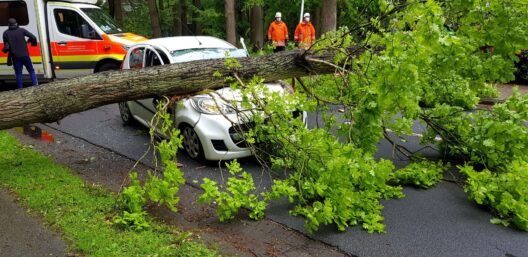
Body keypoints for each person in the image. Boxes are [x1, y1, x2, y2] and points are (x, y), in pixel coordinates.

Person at [2, 18, 38, 89]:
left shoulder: (5, 33)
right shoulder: (22, 30)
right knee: (31, 71)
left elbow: (6, 47)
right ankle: (35, 86)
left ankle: (20, 89)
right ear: (16, 23)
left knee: (18, 73)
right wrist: (29, 41)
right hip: (25, 55)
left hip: (15, 57)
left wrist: (5, 50)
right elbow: (33, 37)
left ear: (8, 25)